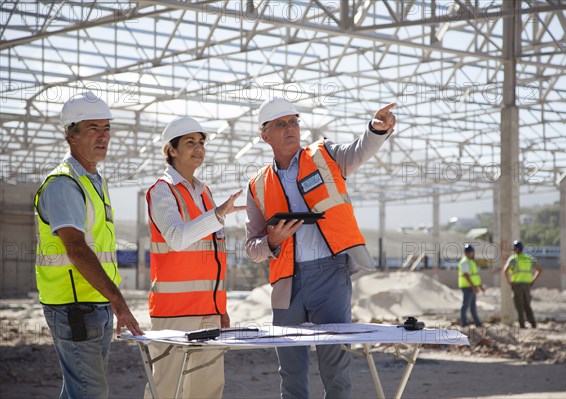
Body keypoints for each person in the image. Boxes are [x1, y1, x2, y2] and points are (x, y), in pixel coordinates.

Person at [245, 97, 396, 398]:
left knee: (336, 368)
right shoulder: (257, 185)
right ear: (265, 135)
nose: (291, 129)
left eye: (294, 122)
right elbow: (252, 247)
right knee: (290, 372)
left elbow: (359, 151)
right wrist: (271, 242)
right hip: (287, 282)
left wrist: (376, 130)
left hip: (330, 275)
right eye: (281, 124)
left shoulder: (325, 155)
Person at [34, 91, 144, 399]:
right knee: (90, 392)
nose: (103, 136)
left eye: (106, 128)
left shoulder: (95, 181)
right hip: (74, 307)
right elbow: (77, 249)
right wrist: (119, 301)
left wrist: (110, 302)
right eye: (93, 128)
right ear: (71, 134)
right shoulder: (64, 184)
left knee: (79, 389)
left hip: (93, 304)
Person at [144, 116, 245, 399]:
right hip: (175, 313)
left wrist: (219, 307)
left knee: (207, 389)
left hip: (208, 312)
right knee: (166, 389)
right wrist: (217, 215)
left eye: (201, 142)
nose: (198, 148)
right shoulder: (162, 191)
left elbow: (211, 256)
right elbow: (176, 238)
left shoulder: (204, 192)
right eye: (190, 142)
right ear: (171, 150)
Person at [503, 240, 544, 328]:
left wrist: (509, 281)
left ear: (516, 249)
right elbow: (540, 270)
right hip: (527, 285)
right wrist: (533, 280)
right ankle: (533, 324)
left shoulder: (513, 259)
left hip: (517, 284)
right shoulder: (529, 258)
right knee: (527, 305)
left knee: (519, 305)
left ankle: (522, 325)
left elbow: (505, 271)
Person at [458, 244, 484, 327]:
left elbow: (474, 275)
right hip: (467, 286)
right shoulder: (464, 262)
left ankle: (477, 322)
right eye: (469, 252)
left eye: (471, 252)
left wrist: (479, 286)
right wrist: (473, 287)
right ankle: (464, 322)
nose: (471, 254)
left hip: (472, 286)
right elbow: (466, 275)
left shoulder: (471, 261)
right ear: (466, 253)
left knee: (473, 306)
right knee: (465, 305)